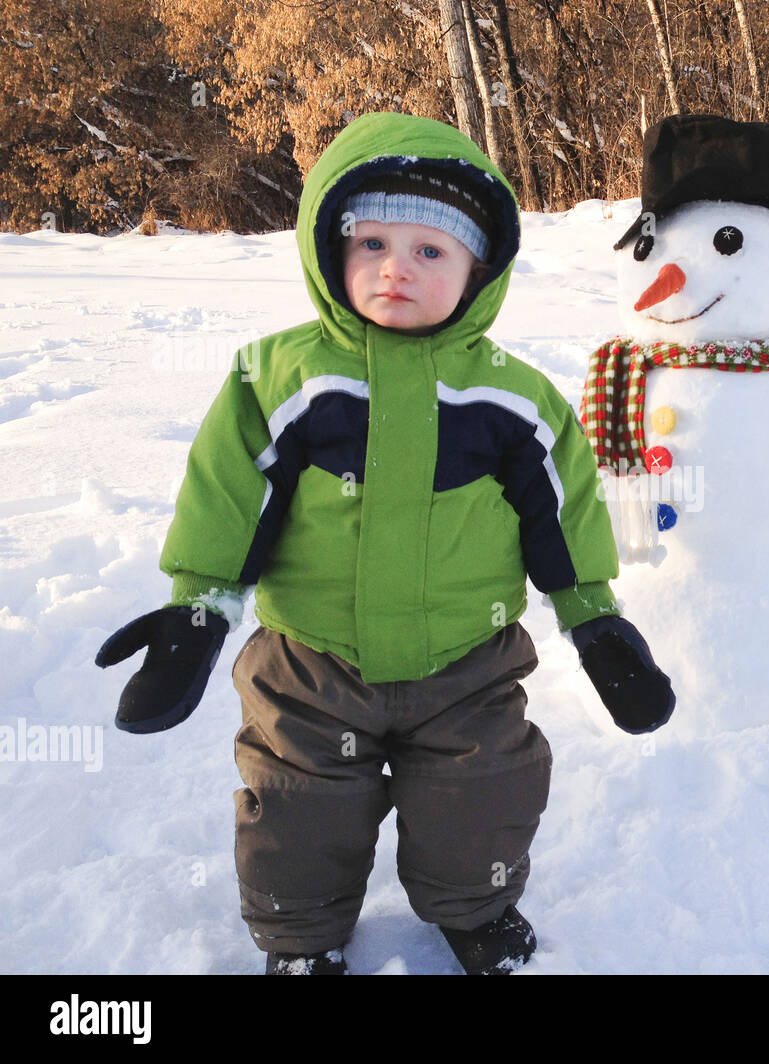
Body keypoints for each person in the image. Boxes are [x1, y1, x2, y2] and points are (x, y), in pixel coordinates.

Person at [95, 111, 674, 975]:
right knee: (299, 807)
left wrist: (596, 622)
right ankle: (299, 938)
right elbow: (227, 496)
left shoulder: (517, 400)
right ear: (331, 251)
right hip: (310, 666)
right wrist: (200, 609)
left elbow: (565, 515)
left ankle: (475, 909)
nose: (396, 267)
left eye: (431, 250)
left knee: (481, 795)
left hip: (468, 666)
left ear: (480, 268)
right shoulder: (281, 377)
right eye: (371, 241)